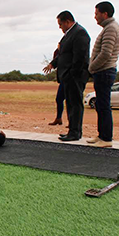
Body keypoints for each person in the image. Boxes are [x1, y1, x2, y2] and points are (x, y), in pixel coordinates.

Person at [50, 11, 91, 142]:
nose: (60, 27)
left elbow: (80, 57)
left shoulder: (80, 33)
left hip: (75, 76)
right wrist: (54, 64)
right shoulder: (69, 35)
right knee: (70, 103)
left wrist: (72, 74)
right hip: (67, 76)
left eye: (60, 24)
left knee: (75, 103)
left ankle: (75, 132)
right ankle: (72, 130)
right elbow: (63, 54)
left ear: (68, 21)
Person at [87, 1, 119, 148]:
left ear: (105, 14)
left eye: (96, 14)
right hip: (102, 72)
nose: (95, 17)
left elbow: (106, 54)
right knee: (100, 105)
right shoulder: (108, 28)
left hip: (104, 71)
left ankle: (106, 138)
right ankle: (102, 135)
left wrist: (91, 68)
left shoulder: (111, 28)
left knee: (104, 106)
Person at [43, 44, 66, 126]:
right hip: (63, 79)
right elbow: (57, 58)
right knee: (59, 99)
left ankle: (73, 122)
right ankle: (59, 118)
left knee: (70, 101)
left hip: (68, 78)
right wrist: (51, 65)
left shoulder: (66, 53)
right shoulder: (60, 53)